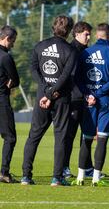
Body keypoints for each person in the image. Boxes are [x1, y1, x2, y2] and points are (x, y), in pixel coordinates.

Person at [21, 15, 76, 186]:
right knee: (61, 137)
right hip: (61, 99)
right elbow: (66, 76)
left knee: (34, 136)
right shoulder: (70, 50)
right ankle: (56, 178)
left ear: (53, 27)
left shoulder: (40, 46)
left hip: (41, 98)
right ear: (68, 31)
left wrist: (46, 90)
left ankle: (25, 176)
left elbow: (33, 69)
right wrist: (53, 92)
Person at [72, 23, 109, 186]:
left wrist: (89, 94)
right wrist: (98, 94)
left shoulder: (85, 52)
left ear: (96, 36)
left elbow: (77, 78)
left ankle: (80, 178)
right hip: (106, 101)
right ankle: (96, 178)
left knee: (86, 138)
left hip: (89, 101)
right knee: (102, 139)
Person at [63, 21, 93, 179]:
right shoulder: (71, 50)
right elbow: (72, 78)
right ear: (76, 34)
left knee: (87, 135)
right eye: (86, 34)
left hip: (85, 99)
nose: (89, 37)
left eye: (89, 34)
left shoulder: (87, 51)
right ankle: (64, 167)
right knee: (69, 135)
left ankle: (87, 167)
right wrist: (83, 95)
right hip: (73, 100)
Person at [0, 26, 19, 183]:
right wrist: (8, 83)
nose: (13, 44)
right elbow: (16, 80)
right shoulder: (5, 57)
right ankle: (4, 173)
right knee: (10, 137)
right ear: (7, 39)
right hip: (1, 101)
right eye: (13, 41)